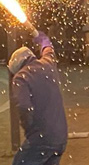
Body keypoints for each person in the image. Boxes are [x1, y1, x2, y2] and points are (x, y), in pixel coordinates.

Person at [9, 29, 67, 165]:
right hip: (60, 135)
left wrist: (29, 129)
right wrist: (39, 36)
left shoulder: (21, 78)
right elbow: (48, 46)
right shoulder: (48, 63)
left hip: (41, 138)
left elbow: (23, 107)